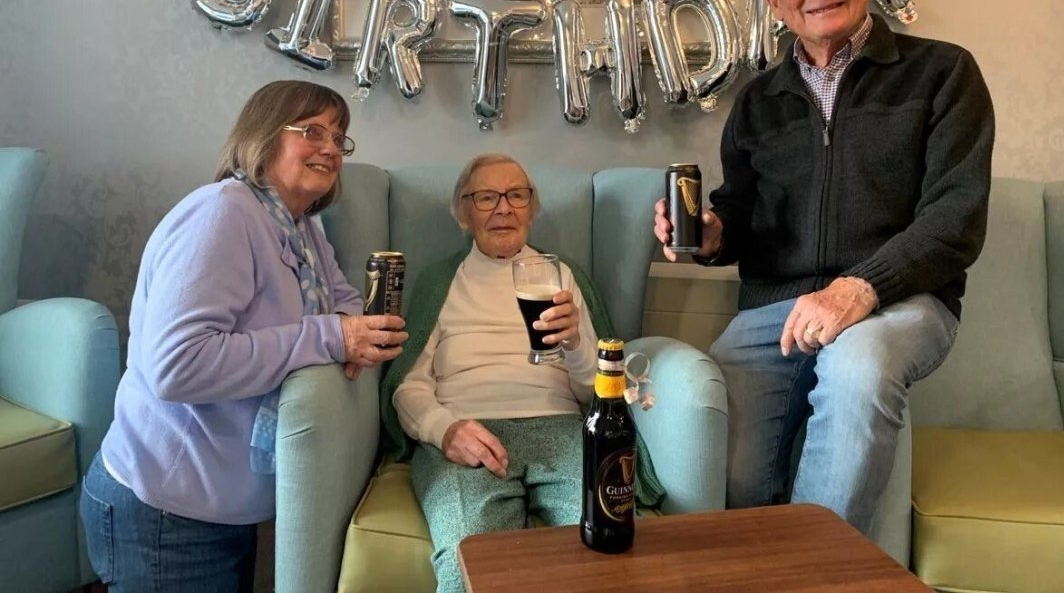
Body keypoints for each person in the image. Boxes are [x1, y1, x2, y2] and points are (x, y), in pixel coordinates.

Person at [653, 0, 995, 537]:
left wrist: (859, 289)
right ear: (775, 2)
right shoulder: (757, 101)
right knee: (725, 445)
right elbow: (740, 213)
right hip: (776, 310)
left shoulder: (944, 73)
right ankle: (743, 570)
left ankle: (815, 569)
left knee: (858, 366)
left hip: (901, 300)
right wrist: (709, 234)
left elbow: (956, 217)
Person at [80, 80, 408, 591]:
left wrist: (358, 334)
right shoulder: (223, 213)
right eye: (312, 131)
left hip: (224, 505)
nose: (330, 148)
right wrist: (333, 338)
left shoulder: (301, 228)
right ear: (265, 134)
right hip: (167, 510)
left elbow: (341, 300)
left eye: (338, 136)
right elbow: (178, 365)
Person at [381, 154, 662, 593]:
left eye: (516, 195)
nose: (503, 208)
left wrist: (575, 344)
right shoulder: (439, 281)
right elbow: (408, 383)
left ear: (531, 209)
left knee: (608, 546)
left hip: (562, 428)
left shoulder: (562, 275)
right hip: (471, 432)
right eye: (486, 197)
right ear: (463, 213)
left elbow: (594, 393)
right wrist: (445, 429)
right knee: (469, 558)